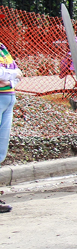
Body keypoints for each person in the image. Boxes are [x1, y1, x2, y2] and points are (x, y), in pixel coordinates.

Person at [0, 41, 22, 211]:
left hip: (8, 99)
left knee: (1, 150)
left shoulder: (2, 48)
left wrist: (9, 76)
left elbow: (18, 73)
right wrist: (10, 75)